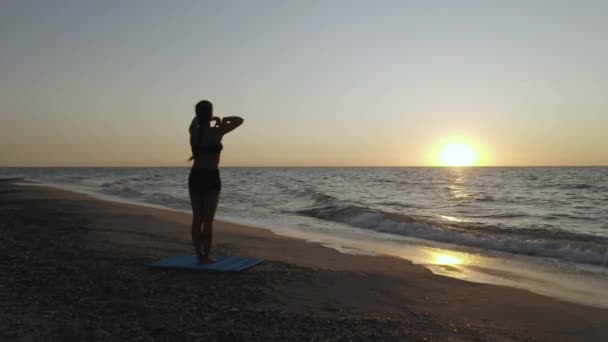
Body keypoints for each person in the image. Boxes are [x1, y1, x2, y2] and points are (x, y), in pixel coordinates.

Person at [188, 100, 243, 263]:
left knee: (197, 218)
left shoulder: (193, 131)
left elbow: (194, 122)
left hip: (196, 175)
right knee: (208, 220)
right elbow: (239, 120)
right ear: (210, 113)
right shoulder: (217, 131)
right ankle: (206, 256)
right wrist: (221, 119)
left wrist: (210, 119)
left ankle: (199, 255)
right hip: (211, 175)